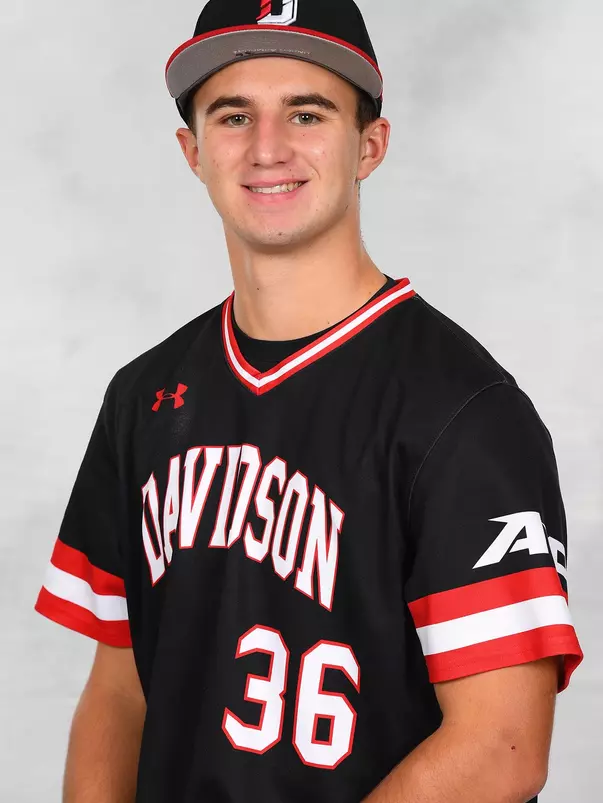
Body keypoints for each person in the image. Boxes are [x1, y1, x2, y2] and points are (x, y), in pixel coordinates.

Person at [34, 1, 583, 801]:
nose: (267, 148)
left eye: (305, 111)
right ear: (191, 151)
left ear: (370, 145)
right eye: (233, 115)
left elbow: (499, 746)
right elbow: (120, 690)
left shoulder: (464, 412)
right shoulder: (143, 397)